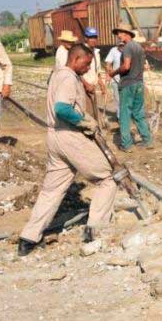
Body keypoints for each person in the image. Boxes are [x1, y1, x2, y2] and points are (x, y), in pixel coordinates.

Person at [18, 44, 117, 255]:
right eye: (87, 63)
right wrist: (83, 122)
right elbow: (62, 108)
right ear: (76, 59)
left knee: (51, 190)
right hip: (69, 136)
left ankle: (28, 238)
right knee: (107, 178)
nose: (88, 67)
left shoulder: (56, 75)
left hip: (53, 137)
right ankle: (96, 229)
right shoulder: (69, 78)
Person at [107, 23, 153, 152]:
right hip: (139, 83)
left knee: (125, 114)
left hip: (128, 84)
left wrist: (113, 73)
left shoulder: (127, 47)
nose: (117, 36)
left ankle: (126, 145)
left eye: (119, 33)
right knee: (138, 113)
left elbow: (126, 66)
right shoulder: (139, 47)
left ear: (125, 33)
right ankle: (147, 140)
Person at [81, 27, 106, 119]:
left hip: (92, 86)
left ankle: (94, 131)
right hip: (83, 86)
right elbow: (77, 72)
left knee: (94, 110)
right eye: (91, 37)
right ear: (85, 38)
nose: (93, 40)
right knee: (87, 112)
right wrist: (86, 84)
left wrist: (102, 85)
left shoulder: (96, 52)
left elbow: (97, 71)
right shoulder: (81, 51)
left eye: (95, 37)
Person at [105, 41, 125, 119]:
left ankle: (127, 116)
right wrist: (109, 73)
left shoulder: (129, 50)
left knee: (126, 100)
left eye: (123, 45)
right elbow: (108, 63)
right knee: (118, 100)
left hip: (127, 80)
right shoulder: (113, 50)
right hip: (115, 79)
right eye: (120, 45)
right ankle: (120, 117)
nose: (121, 47)